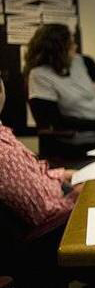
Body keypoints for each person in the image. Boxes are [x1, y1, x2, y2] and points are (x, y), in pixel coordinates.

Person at [0, 74, 82, 227]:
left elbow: (30, 176)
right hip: (55, 228)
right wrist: (77, 196)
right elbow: (45, 215)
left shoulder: (3, 134)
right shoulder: (4, 154)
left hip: (57, 195)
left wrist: (60, 175)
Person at [24, 24, 95, 141]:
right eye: (71, 44)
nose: (75, 46)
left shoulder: (81, 61)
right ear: (58, 49)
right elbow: (56, 122)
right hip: (81, 138)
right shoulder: (39, 75)